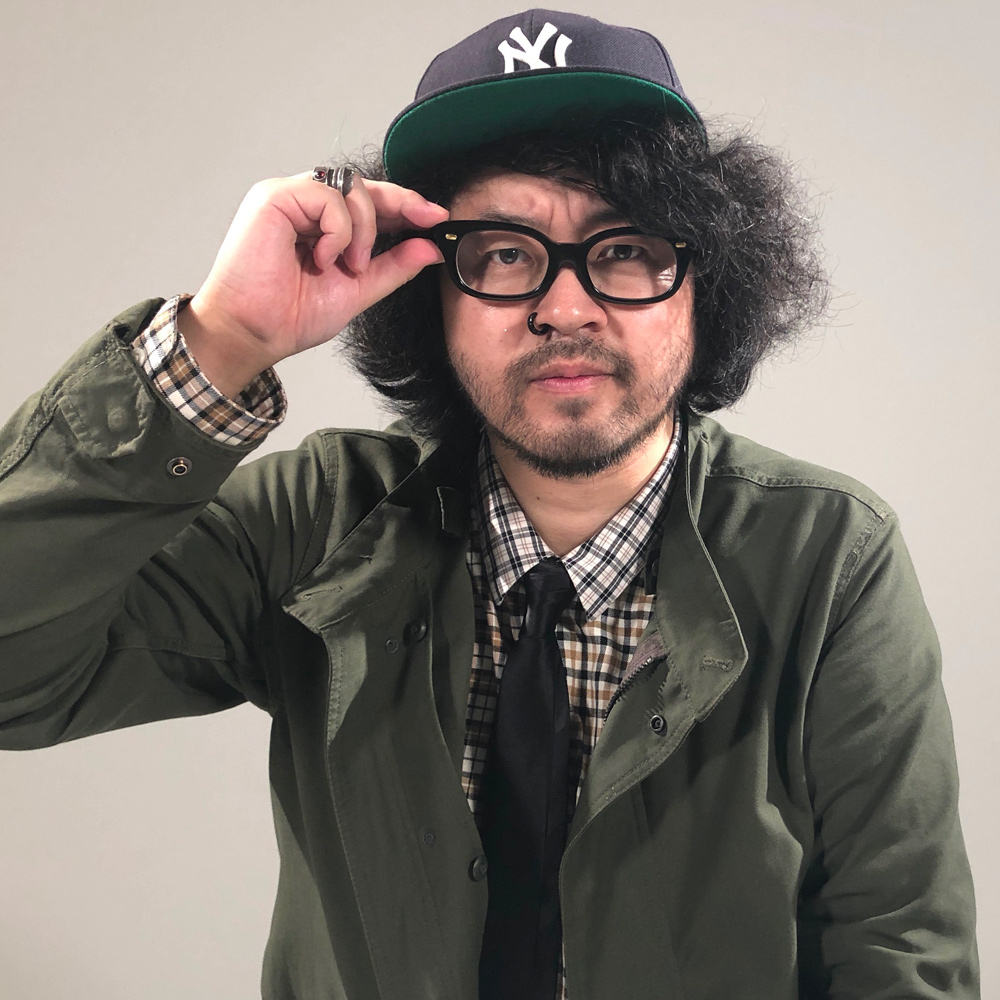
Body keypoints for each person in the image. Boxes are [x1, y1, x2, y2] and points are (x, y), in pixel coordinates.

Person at [0, 8, 979, 1000]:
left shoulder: (828, 557)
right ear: (429, 296)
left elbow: (901, 953)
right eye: (504, 254)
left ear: (705, 283)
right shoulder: (318, 521)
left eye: (626, 248)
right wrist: (224, 338)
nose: (565, 307)